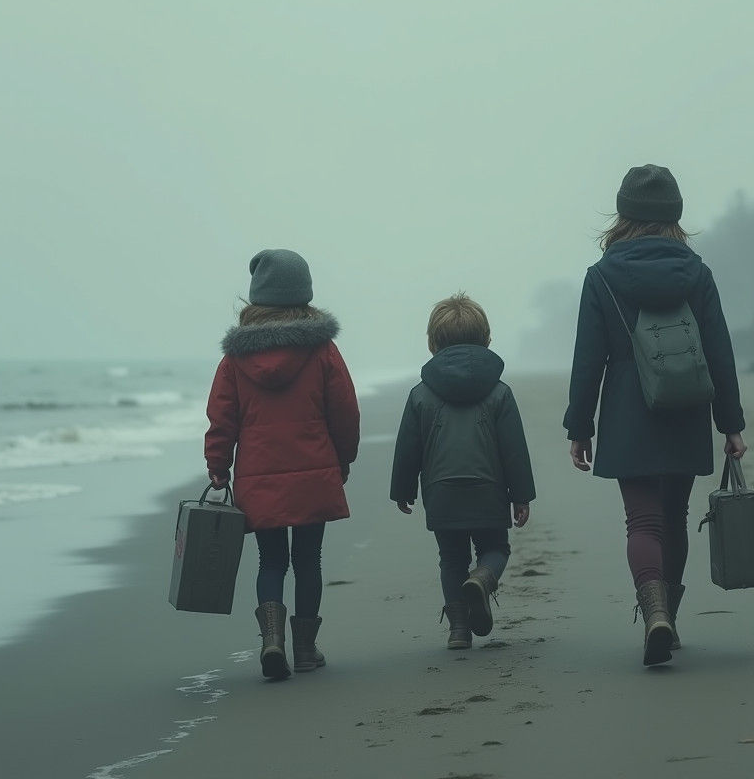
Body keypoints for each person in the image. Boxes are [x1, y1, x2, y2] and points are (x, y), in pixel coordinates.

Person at [564, 165, 747, 667]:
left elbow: (588, 359)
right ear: (675, 216)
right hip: (687, 407)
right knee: (675, 517)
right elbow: (719, 351)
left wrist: (580, 427)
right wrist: (730, 423)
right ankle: (672, 615)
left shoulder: (601, 277)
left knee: (642, 519)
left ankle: (655, 615)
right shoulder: (697, 272)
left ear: (622, 215)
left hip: (628, 409)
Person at [204, 249, 360, 680]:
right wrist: (342, 457)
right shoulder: (322, 350)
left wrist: (218, 464)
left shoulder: (235, 359)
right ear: (304, 295)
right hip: (313, 468)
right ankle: (306, 650)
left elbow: (222, 415)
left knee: (271, 562)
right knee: (309, 558)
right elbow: (344, 409)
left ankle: (273, 641)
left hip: (260, 474)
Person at [390, 293, 536, 649]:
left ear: (432, 342)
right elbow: (513, 449)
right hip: (489, 488)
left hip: (442, 491)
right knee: (495, 548)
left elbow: (408, 447)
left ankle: (458, 630)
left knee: (451, 557)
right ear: (486, 338)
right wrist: (521, 496)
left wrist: (403, 490)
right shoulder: (500, 392)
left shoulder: (420, 395)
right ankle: (484, 579)